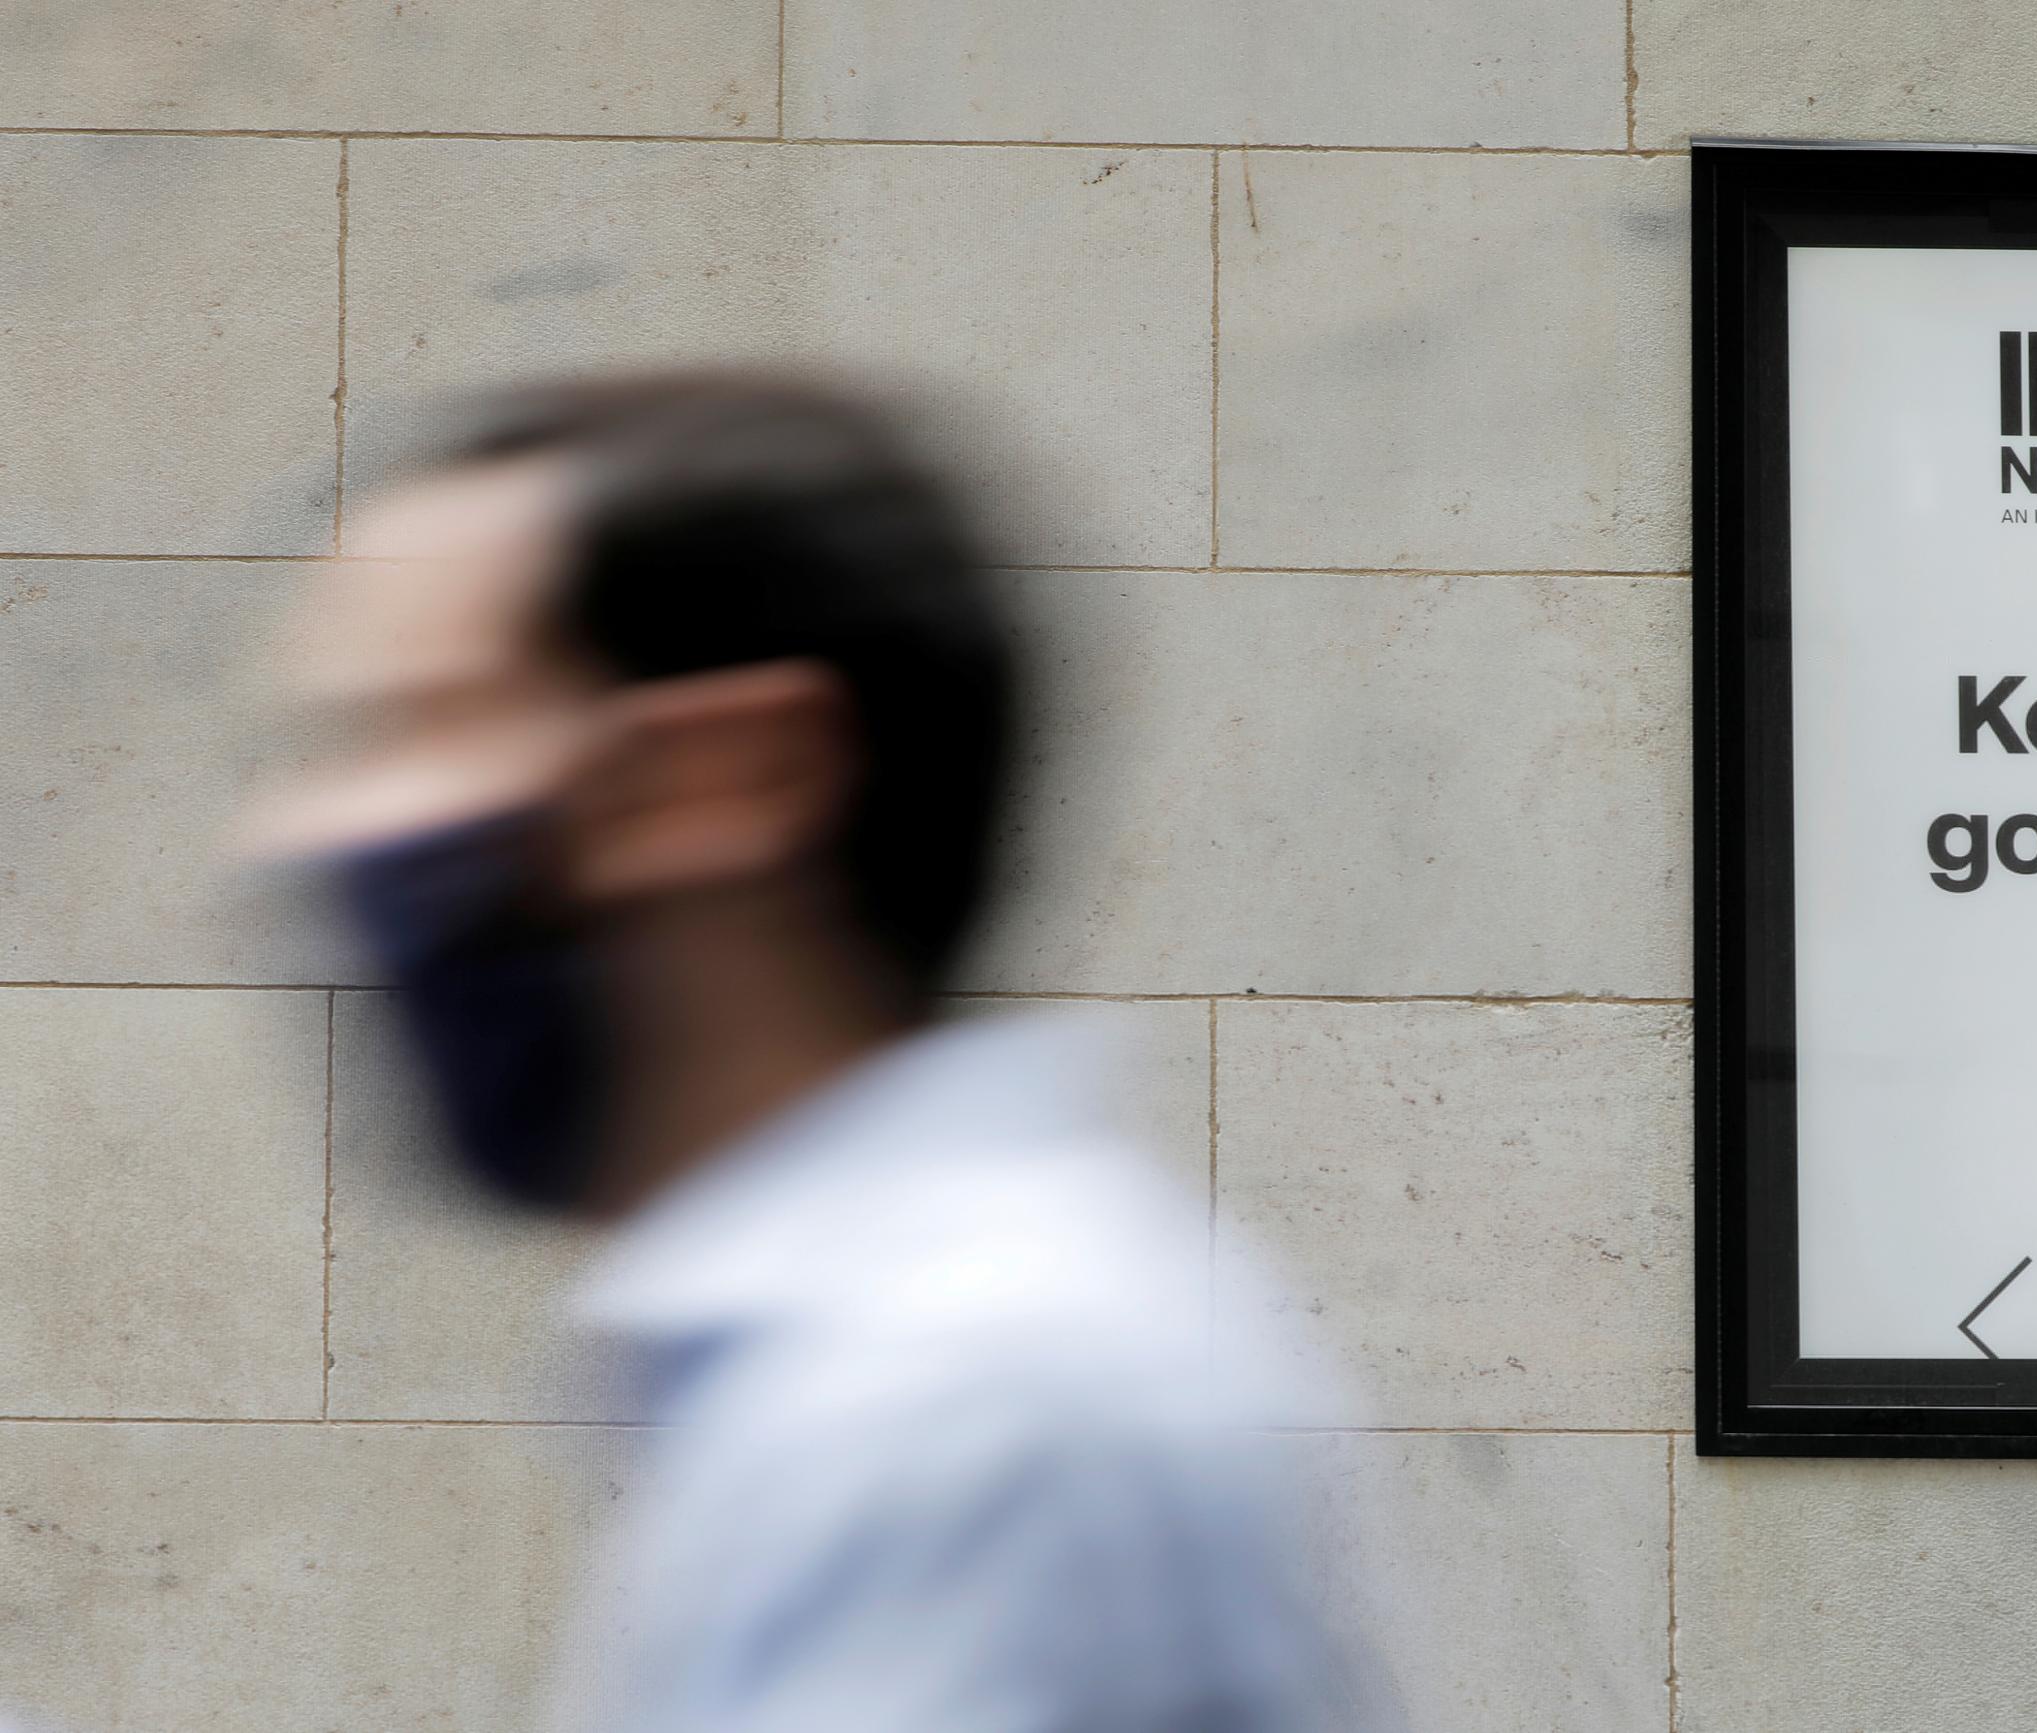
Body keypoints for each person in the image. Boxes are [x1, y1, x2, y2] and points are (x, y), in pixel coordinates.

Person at [244, 373, 1375, 1732]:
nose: (304, 833)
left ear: (746, 775)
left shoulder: (964, 1408)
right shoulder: (895, 1369)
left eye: (425, 722)